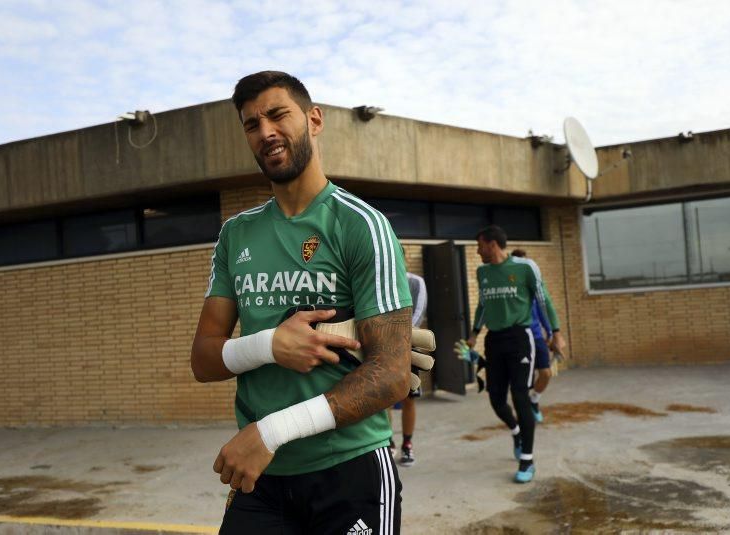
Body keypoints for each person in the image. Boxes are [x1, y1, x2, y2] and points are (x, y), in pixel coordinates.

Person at [191, 71, 413, 534]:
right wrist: (270, 345)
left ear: (313, 120)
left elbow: (391, 375)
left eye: (277, 115)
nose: (265, 131)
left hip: (349, 469)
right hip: (264, 478)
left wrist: (271, 431)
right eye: (252, 124)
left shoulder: (361, 225)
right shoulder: (237, 234)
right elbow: (204, 359)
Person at [465, 225, 566, 483]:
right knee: (496, 398)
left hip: (520, 338)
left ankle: (527, 460)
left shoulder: (525, 268)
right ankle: (516, 431)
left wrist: (555, 332)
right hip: (494, 340)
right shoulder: (483, 272)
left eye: (480, 246)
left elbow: (544, 301)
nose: (477, 251)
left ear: (492, 244)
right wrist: (475, 332)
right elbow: (484, 305)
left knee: (520, 395)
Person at [510, 249, 562, 423]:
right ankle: (524, 414)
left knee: (546, 373)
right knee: (524, 379)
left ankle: (534, 400)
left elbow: (543, 311)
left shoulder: (534, 287)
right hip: (519, 339)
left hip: (537, 336)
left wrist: (551, 333)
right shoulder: (511, 289)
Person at [390, 247, 428, 467]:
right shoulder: (378, 282)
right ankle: (388, 442)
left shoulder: (415, 282)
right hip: (382, 349)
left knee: (409, 398)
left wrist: (397, 338)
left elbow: (419, 312)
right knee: (381, 398)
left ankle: (407, 444)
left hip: (409, 347)